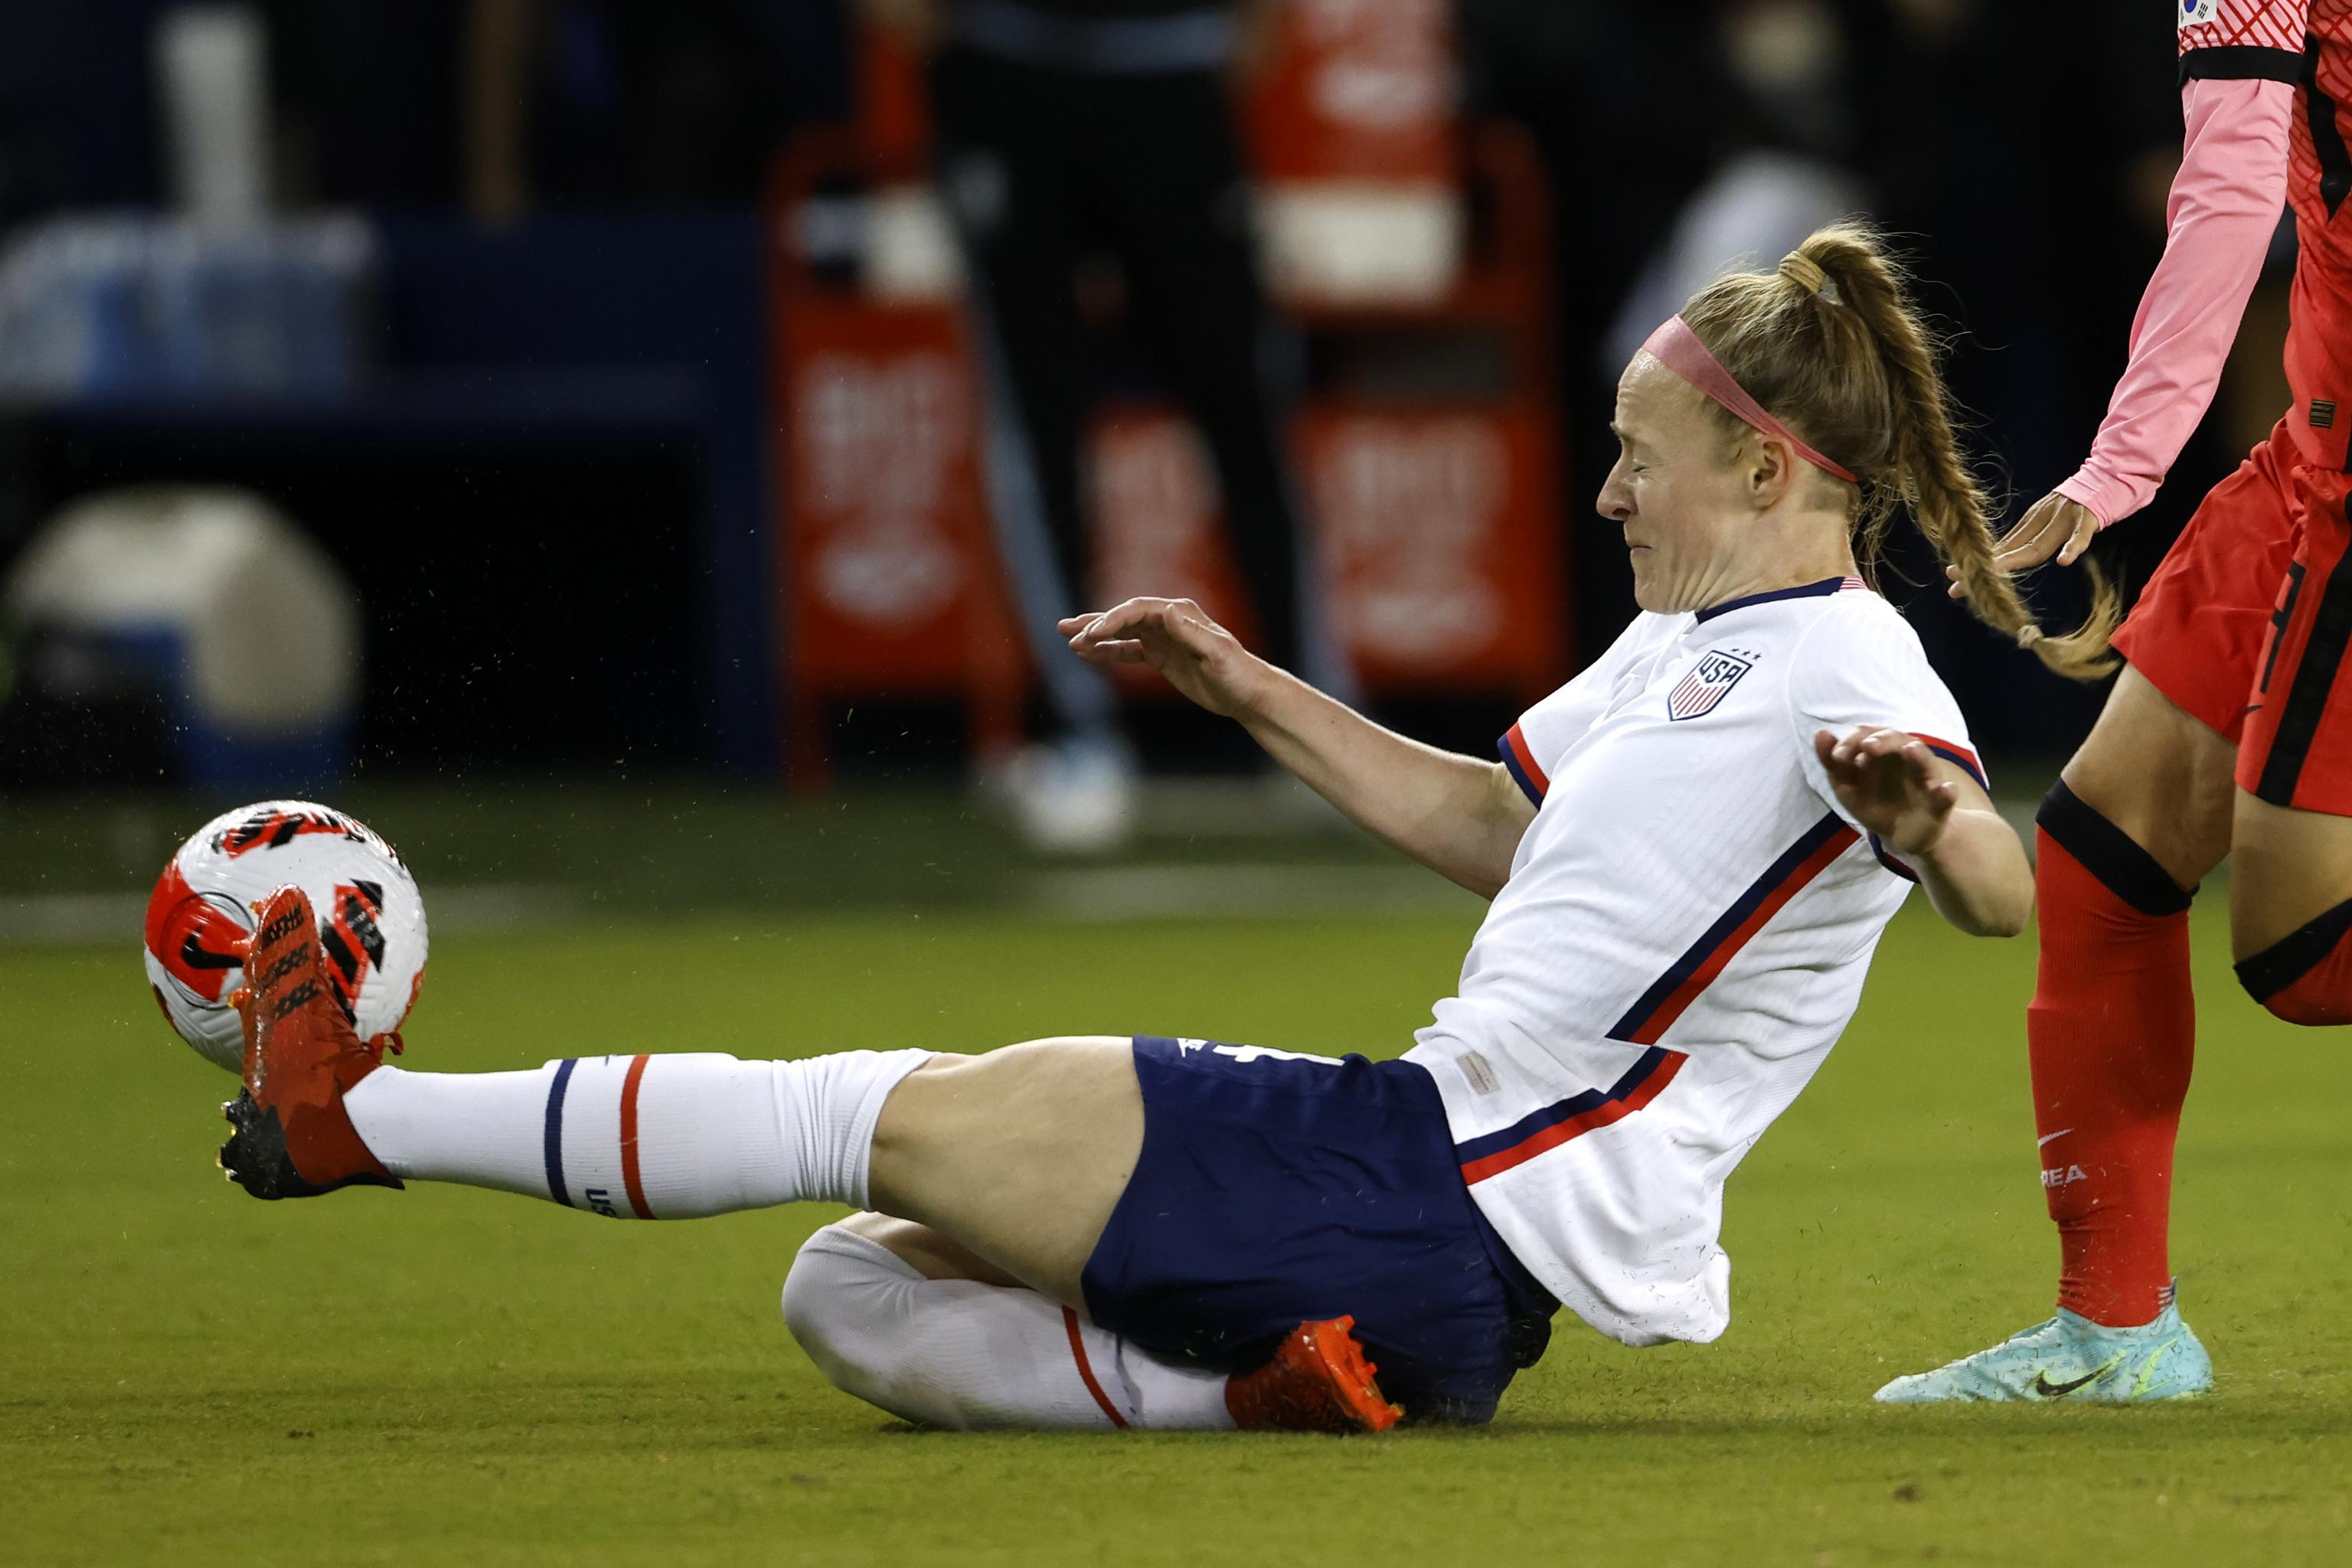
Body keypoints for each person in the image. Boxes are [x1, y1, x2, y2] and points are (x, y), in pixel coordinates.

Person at [217, 225, 2055, 1432]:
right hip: (1434, 1247)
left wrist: (1936, 824)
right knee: (850, 1282)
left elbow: (1994, 880)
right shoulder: (1678, 646)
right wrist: (1246, 685)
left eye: (1630, 455)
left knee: (858, 1106)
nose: (1600, 489)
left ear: (1760, 469)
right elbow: (1499, 826)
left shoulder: (1845, 661)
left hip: (1432, 1177)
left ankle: (350, 1110)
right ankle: (1262, 1392)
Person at [1877, 1, 2352, 1405]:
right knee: (2103, 848)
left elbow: (2221, 188)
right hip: (2314, 454)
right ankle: (2116, 1328)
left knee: (2304, 951)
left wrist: (2123, 462)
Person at [858, 0, 1346, 851]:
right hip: (1005, 63)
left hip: (1171, 62)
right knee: (1035, 415)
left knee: (1242, 403)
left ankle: (1316, 728)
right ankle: (1077, 733)